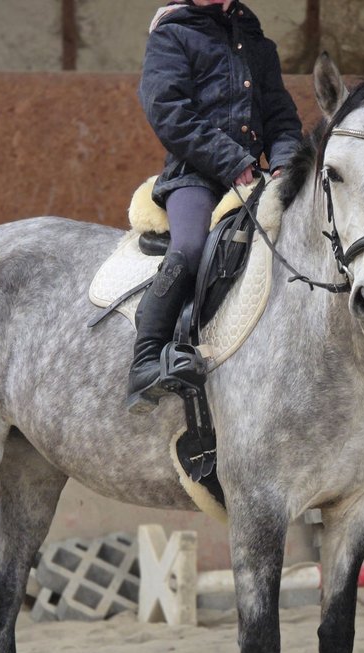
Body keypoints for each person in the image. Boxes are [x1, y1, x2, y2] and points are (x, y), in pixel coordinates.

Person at [127, 0, 303, 413]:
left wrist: (283, 164)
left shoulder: (258, 44)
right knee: (189, 248)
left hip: (255, 179)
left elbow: (281, 118)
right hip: (195, 176)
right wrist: (230, 160)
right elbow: (167, 111)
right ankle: (146, 360)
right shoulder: (172, 35)